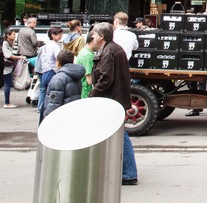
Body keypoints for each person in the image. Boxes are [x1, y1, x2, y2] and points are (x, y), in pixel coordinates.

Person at [89, 22, 139, 186]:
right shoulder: (111, 49)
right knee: (117, 135)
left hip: (112, 100)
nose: (92, 36)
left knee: (120, 135)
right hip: (113, 99)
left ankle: (129, 173)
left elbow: (106, 78)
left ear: (102, 36)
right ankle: (122, 171)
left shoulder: (110, 51)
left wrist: (93, 93)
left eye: (95, 34)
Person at [40, 49, 85, 123]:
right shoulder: (76, 75)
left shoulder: (58, 79)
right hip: (71, 116)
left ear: (58, 63)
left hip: (60, 118)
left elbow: (53, 104)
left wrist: (47, 122)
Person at [37, 26, 63, 116]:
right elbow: (59, 58)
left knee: (44, 92)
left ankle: (41, 108)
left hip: (45, 71)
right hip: (52, 71)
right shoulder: (55, 46)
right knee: (53, 94)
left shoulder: (45, 46)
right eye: (59, 34)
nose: (61, 36)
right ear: (52, 35)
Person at [3, 29, 25, 109]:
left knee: (7, 83)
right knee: (8, 84)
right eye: (13, 34)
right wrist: (19, 57)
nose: (14, 36)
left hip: (7, 67)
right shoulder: (5, 43)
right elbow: (8, 55)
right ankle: (7, 103)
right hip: (5, 67)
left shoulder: (10, 43)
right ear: (8, 35)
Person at [75, 29, 100, 99]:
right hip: (86, 93)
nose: (100, 46)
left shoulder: (84, 51)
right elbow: (90, 81)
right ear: (93, 41)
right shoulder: (88, 56)